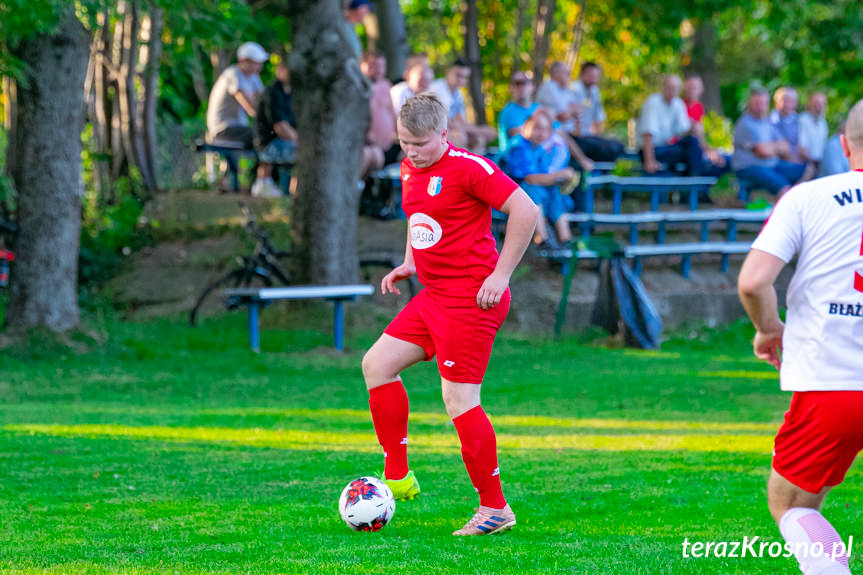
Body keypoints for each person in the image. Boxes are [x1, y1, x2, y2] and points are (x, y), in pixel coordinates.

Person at [361, 93, 537, 536]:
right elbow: (416, 215)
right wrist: (410, 262)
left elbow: (526, 210)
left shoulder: (468, 168)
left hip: (473, 298)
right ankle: (397, 477)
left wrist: (501, 275)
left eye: (420, 144)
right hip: (434, 295)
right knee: (377, 365)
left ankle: (495, 509)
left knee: (459, 399)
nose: (412, 153)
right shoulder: (407, 166)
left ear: (444, 134)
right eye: (404, 144)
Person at [736, 98, 863, 575]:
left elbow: (753, 281)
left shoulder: (808, 197)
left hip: (834, 380)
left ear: (842, 144)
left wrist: (769, 330)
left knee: (794, 505)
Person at [504, 108, 576, 248]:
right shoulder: (518, 146)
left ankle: (566, 239)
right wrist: (560, 175)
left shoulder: (540, 148)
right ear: (525, 128)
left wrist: (564, 178)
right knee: (534, 190)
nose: (541, 133)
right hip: (507, 195)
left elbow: (544, 177)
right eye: (536, 128)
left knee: (555, 193)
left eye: (545, 129)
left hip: (532, 192)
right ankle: (541, 238)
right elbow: (530, 178)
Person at [206, 42, 268, 191]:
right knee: (265, 136)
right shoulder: (233, 75)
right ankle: (258, 183)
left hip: (238, 128)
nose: (258, 67)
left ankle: (259, 183)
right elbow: (251, 107)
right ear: (243, 61)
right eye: (255, 63)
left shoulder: (253, 78)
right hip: (224, 129)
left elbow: (265, 100)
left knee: (268, 136)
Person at [732, 88, 805, 196]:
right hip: (748, 168)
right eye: (757, 103)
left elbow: (785, 147)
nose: (761, 107)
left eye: (764, 103)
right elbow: (763, 152)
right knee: (781, 184)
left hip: (771, 165)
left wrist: (770, 148)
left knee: (803, 170)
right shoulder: (745, 124)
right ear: (749, 104)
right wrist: (774, 148)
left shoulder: (768, 122)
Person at [638, 74, 703, 175]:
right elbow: (648, 134)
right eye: (670, 87)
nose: (672, 91)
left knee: (692, 143)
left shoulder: (678, 104)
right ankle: (691, 183)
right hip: (651, 150)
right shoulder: (653, 102)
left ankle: (693, 181)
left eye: (675, 88)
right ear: (663, 87)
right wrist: (649, 161)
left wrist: (693, 128)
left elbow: (683, 131)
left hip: (667, 149)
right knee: (690, 153)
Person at [430, 58, 497, 152]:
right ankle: (459, 165)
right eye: (458, 75)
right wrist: (476, 130)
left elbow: (461, 120)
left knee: (480, 138)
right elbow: (440, 122)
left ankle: (473, 165)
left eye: (465, 77)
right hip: (436, 132)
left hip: (455, 129)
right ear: (448, 72)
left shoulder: (459, 94)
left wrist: (473, 130)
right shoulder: (436, 88)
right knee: (460, 137)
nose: (461, 79)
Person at [251, 63, 297, 197]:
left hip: (283, 142)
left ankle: (293, 191)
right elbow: (280, 127)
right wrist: (302, 142)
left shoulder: (291, 93)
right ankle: (266, 186)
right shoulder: (273, 93)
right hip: (268, 143)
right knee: (304, 152)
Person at [568, 62, 624, 162]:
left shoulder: (595, 91)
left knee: (618, 147)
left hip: (588, 136)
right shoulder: (575, 88)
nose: (593, 78)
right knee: (607, 149)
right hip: (574, 138)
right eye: (590, 75)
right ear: (582, 74)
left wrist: (596, 137)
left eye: (595, 75)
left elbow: (598, 118)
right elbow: (574, 116)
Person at [361, 51, 400, 178]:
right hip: (366, 145)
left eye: (382, 66)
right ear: (363, 65)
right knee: (373, 157)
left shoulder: (385, 85)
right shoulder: (356, 87)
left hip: (388, 144)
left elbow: (391, 112)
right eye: (374, 66)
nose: (379, 70)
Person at [497, 71, 539, 151]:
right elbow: (523, 136)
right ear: (510, 88)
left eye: (525, 83)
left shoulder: (539, 108)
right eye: (517, 84)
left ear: (533, 86)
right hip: (514, 159)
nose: (521, 87)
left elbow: (558, 131)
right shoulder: (508, 111)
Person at [536, 62, 578, 133]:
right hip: (555, 134)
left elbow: (577, 110)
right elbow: (563, 116)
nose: (569, 75)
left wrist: (572, 113)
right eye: (567, 72)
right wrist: (572, 113)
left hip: (569, 133)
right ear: (556, 73)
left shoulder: (565, 89)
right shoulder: (548, 88)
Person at [798, 92, 829, 171]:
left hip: (820, 164)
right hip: (805, 164)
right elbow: (802, 150)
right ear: (810, 105)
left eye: (823, 104)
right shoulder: (803, 120)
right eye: (817, 104)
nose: (820, 107)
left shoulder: (823, 123)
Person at [770, 87, 801, 161]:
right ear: (776, 102)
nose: (788, 105)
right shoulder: (770, 121)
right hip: (778, 162)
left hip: (799, 159)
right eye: (785, 100)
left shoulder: (799, 120)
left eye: (792, 101)